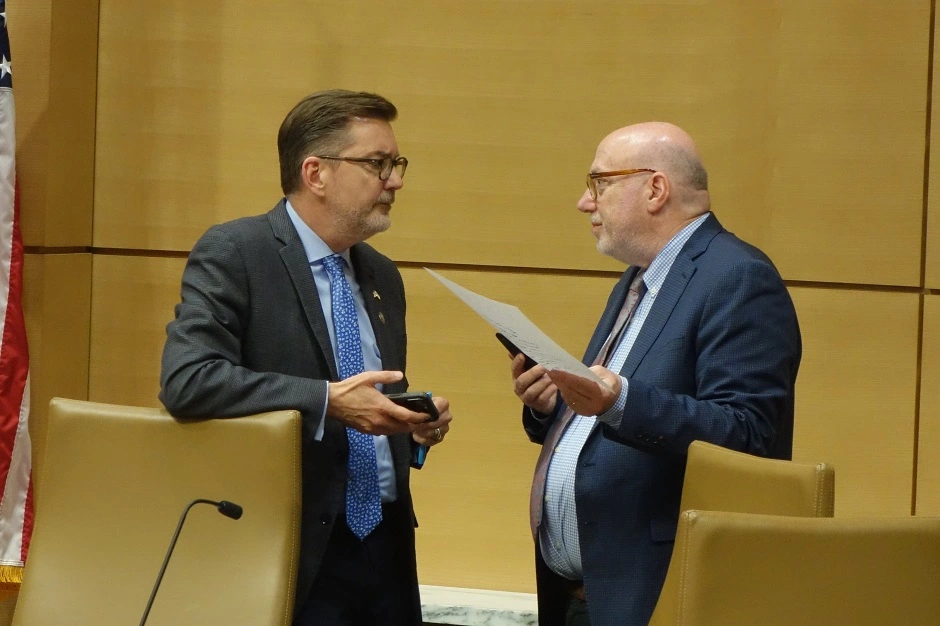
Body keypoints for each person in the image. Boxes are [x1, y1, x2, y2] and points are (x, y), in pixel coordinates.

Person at [159, 89, 452, 626]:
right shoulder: (238, 253)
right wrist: (325, 401)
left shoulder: (382, 275)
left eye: (397, 163)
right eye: (377, 164)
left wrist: (407, 424)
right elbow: (188, 380)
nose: (395, 180)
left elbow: (365, 401)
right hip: (289, 551)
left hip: (384, 547)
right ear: (315, 172)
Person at [509, 122, 801, 626]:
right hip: (582, 594)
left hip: (658, 595)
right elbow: (609, 415)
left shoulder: (738, 277)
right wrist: (552, 407)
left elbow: (748, 433)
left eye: (599, 183)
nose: (585, 201)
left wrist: (618, 398)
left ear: (655, 188)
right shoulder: (639, 277)